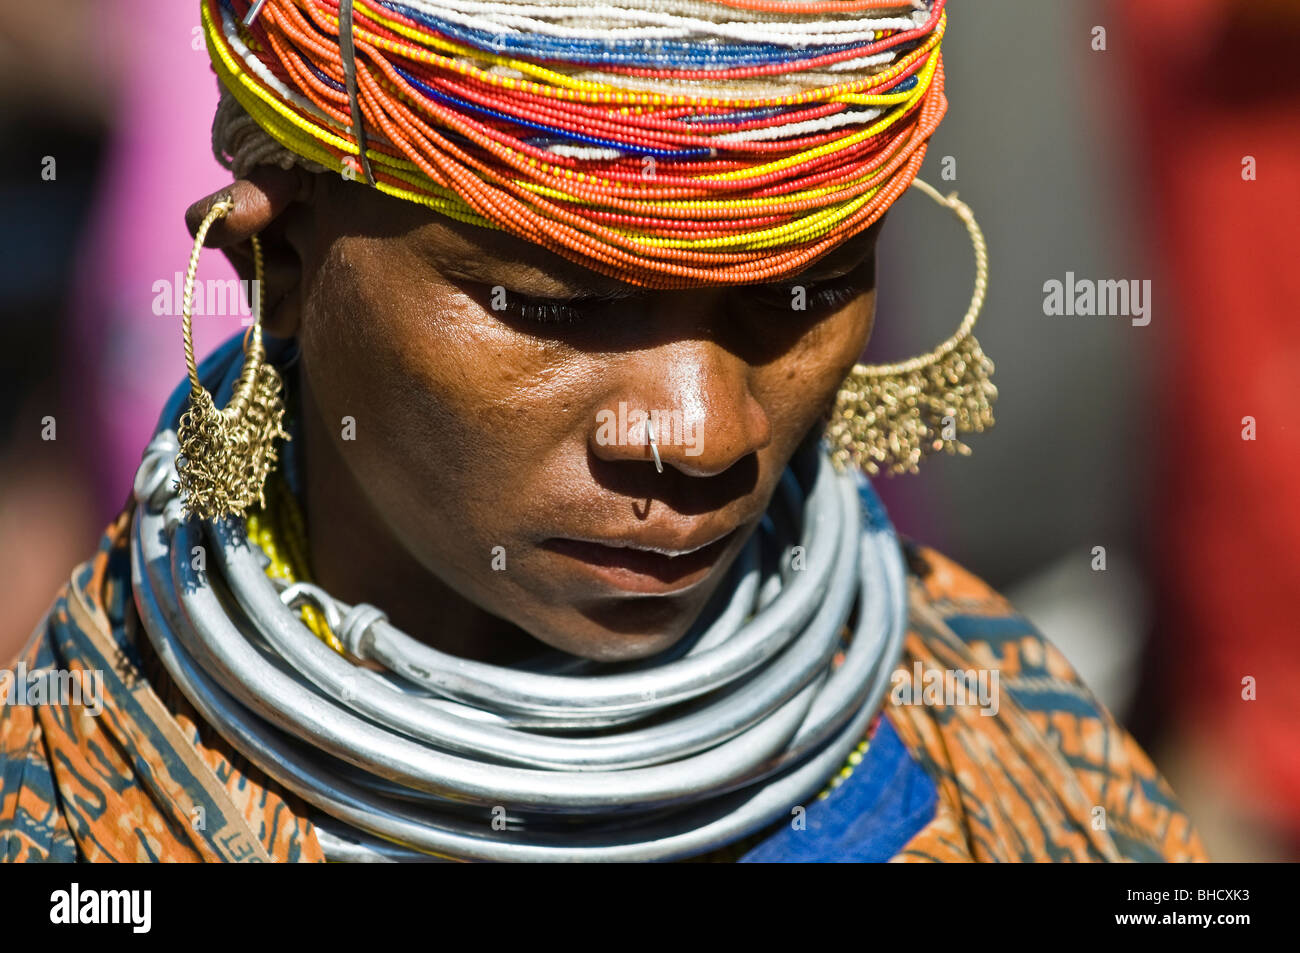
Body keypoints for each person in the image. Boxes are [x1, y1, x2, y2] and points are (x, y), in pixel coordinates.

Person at [0, 0, 1205, 862]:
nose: (703, 431)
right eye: (557, 307)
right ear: (277, 261)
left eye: (801, 293)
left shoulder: (1005, 745)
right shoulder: (76, 807)